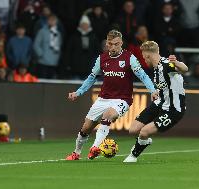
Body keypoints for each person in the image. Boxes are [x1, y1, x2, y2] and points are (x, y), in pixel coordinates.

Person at [65, 30, 158, 160]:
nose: (113, 47)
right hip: (103, 99)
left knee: (108, 114)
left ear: (121, 43)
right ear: (107, 44)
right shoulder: (101, 58)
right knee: (86, 127)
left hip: (122, 99)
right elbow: (91, 78)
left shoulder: (129, 57)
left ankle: (95, 147)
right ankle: (76, 153)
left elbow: (142, 75)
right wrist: (78, 92)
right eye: (110, 44)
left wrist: (152, 90)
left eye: (116, 44)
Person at [123, 41, 188, 163]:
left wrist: (176, 63)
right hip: (160, 102)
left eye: (143, 57)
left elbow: (185, 69)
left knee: (144, 131)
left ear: (147, 55)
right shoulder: (157, 68)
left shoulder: (166, 65)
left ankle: (133, 155)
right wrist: (156, 92)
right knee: (133, 129)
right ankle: (145, 141)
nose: (144, 60)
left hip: (173, 110)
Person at [65, 15, 100, 79]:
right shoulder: (74, 36)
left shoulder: (93, 37)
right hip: (76, 67)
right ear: (80, 25)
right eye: (83, 24)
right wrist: (68, 64)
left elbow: (97, 52)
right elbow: (69, 51)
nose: (84, 26)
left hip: (89, 67)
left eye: (86, 24)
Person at [33, 14, 63, 79]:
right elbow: (36, 44)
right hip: (43, 62)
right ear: (48, 21)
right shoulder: (42, 31)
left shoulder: (58, 33)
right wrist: (41, 55)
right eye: (50, 20)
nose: (52, 22)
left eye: (54, 20)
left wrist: (57, 57)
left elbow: (59, 46)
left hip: (54, 62)